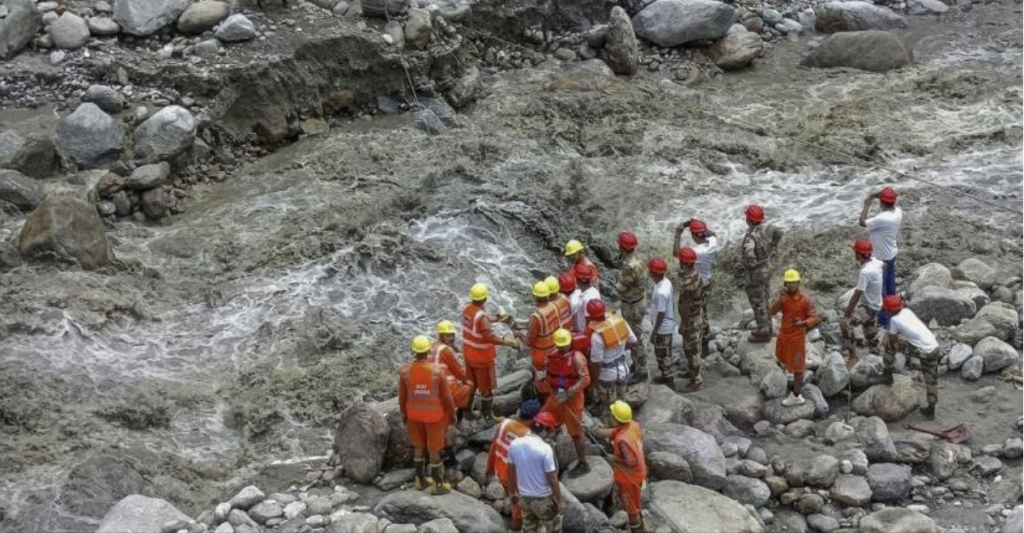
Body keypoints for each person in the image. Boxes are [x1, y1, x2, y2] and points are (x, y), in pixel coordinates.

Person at [399, 335, 457, 494]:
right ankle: (438, 485)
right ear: (428, 351)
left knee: (418, 446)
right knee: (434, 450)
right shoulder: (437, 371)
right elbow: (446, 397)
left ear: (414, 351)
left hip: (413, 416)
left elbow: (402, 397)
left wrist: (404, 414)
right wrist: (452, 414)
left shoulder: (405, 371)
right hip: (434, 417)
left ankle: (420, 480)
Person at [462, 283, 519, 421]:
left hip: (469, 355)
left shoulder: (467, 309)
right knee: (486, 388)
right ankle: (487, 416)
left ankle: (467, 411)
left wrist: (498, 318)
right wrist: (508, 342)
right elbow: (489, 336)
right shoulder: (481, 317)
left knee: (472, 384)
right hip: (482, 359)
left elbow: (482, 320)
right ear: (485, 298)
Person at [541, 328, 592, 477]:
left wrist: (569, 393)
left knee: (576, 433)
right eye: (560, 345)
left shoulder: (577, 358)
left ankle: (583, 462)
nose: (563, 347)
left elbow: (585, 379)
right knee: (542, 420)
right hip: (556, 396)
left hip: (573, 399)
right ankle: (544, 451)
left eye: (565, 344)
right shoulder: (552, 355)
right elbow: (549, 372)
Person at [486, 399, 542, 533]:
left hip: (501, 471)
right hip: (516, 479)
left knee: (513, 499)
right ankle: (515, 528)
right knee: (518, 507)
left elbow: (494, 445)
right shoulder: (528, 436)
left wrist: (489, 465)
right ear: (534, 419)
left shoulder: (504, 423)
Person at [768, 270, 820, 406]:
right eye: (788, 283)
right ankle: (801, 362)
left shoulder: (805, 299)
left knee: (798, 367)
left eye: (793, 283)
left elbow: (814, 317)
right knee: (781, 357)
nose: (791, 286)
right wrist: (778, 298)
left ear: (798, 283)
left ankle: (797, 395)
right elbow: (772, 311)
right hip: (784, 335)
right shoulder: (783, 297)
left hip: (797, 338)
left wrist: (803, 323)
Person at [882, 295, 939, 419]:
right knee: (931, 378)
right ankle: (931, 408)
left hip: (922, 351)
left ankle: (887, 370)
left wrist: (887, 336)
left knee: (888, 343)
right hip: (934, 347)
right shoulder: (907, 311)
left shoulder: (894, 320)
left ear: (889, 310)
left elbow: (892, 339)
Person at [508, 412, 563, 533]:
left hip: (524, 498)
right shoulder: (545, 449)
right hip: (543, 499)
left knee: (529, 529)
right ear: (545, 430)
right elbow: (552, 478)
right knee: (554, 528)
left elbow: (511, 472)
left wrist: (512, 492)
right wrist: (559, 501)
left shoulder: (514, 444)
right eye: (549, 431)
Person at [597, 401, 647, 533]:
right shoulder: (633, 425)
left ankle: (637, 529)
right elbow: (615, 431)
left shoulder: (622, 440)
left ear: (615, 418)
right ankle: (641, 525)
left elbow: (631, 462)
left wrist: (613, 458)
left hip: (629, 478)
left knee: (631, 509)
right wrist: (596, 431)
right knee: (635, 503)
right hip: (639, 473)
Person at [859, 187, 902, 328]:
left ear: (881, 203)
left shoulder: (882, 218)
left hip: (880, 259)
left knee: (881, 291)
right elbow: (890, 201)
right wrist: (877, 195)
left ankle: (885, 322)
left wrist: (867, 203)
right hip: (891, 254)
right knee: (891, 288)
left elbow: (862, 222)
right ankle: (895, 313)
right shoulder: (898, 212)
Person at [675, 218, 718, 357]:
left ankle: (699, 343)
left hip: (697, 284)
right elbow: (713, 234)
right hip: (708, 282)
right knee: (703, 309)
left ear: (693, 235)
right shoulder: (712, 243)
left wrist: (678, 233)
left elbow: (676, 253)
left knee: (695, 312)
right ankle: (705, 339)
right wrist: (697, 226)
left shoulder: (696, 252)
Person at [586, 300, 636, 419]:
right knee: (622, 403)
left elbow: (597, 364)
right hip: (623, 369)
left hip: (607, 376)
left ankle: (613, 429)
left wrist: (593, 383)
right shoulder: (619, 321)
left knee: (609, 407)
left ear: (591, 316)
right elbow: (634, 341)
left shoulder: (596, 336)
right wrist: (621, 350)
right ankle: (626, 422)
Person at [742, 205, 784, 342]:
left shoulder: (750, 237)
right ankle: (769, 327)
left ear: (749, 219)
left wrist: (753, 263)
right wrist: (772, 248)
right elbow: (780, 233)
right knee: (765, 299)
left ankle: (763, 331)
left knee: (757, 302)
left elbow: (749, 256)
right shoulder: (769, 228)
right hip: (767, 268)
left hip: (755, 274)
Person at [841, 238, 883, 368]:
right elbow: (884, 265)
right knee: (869, 331)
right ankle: (876, 356)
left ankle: (853, 356)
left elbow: (856, 294)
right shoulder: (876, 262)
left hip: (868, 307)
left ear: (858, 254)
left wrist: (847, 315)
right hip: (877, 304)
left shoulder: (865, 272)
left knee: (845, 325)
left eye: (855, 252)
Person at [615, 230, 649, 381]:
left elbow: (621, 287)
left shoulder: (629, 267)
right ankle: (637, 364)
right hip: (639, 301)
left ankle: (641, 370)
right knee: (637, 335)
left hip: (631, 305)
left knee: (636, 339)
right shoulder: (640, 261)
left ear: (622, 248)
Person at [675, 247, 705, 393]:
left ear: (685, 263)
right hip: (696, 317)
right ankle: (691, 371)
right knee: (692, 348)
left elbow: (686, 305)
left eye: (681, 261)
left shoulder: (688, 283)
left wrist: (683, 323)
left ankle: (696, 380)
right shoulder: (695, 275)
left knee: (692, 350)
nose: (679, 263)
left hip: (691, 320)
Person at [430, 320, 472, 423]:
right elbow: (458, 371)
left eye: (452, 335)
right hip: (444, 388)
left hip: (431, 385)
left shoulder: (431, 346)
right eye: (448, 335)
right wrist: (466, 379)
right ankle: (459, 418)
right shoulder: (446, 350)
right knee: (469, 387)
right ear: (440, 336)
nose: (452, 338)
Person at [522, 281, 562, 388]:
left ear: (534, 296)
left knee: (539, 379)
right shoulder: (555, 306)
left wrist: (518, 334)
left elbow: (528, 341)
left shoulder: (536, 316)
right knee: (552, 374)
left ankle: (541, 395)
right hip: (555, 349)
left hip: (540, 355)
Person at [647, 257, 677, 385]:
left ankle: (668, 379)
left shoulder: (660, 292)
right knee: (666, 352)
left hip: (663, 327)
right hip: (666, 324)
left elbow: (661, 313)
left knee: (662, 354)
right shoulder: (666, 282)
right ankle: (667, 375)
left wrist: (654, 332)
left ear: (653, 273)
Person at [573, 264, 602, 333]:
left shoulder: (587, 298)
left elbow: (589, 322)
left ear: (580, 280)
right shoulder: (594, 291)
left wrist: (584, 337)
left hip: (584, 333)